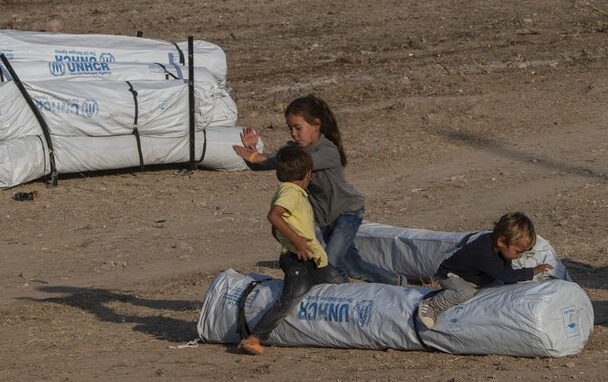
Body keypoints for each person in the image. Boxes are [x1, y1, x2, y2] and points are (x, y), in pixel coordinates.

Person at [235, 95, 401, 285]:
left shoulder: (328, 151)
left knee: (329, 263)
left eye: (298, 128)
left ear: (316, 125)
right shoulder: (293, 151)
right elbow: (271, 164)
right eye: (290, 129)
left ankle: (344, 298)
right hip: (325, 219)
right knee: (354, 266)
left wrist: (256, 156)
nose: (294, 134)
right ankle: (397, 281)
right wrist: (252, 152)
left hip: (347, 211)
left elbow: (295, 162)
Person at [237, 145, 344, 356]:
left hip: (313, 258)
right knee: (291, 298)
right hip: (297, 260)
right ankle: (255, 337)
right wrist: (297, 242)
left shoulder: (293, 193)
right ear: (307, 175)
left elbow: (276, 227)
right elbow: (274, 216)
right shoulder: (290, 192)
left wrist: (290, 239)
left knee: (338, 280)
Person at [416, 212, 553, 330]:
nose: (520, 256)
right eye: (518, 251)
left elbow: (506, 272)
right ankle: (433, 304)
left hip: (473, 278)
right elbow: (505, 275)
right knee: (465, 293)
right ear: (501, 242)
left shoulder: (500, 250)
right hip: (451, 275)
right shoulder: (483, 252)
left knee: (494, 287)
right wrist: (532, 271)